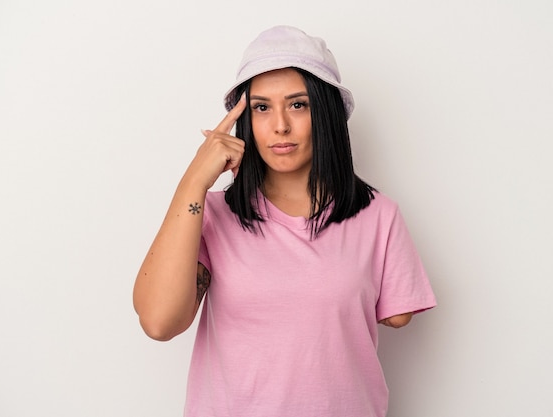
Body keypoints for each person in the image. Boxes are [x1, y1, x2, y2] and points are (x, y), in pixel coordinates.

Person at [133, 25, 436, 417]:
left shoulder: (378, 215)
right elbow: (159, 322)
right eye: (261, 107)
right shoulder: (214, 215)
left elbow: (398, 314)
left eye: (298, 104)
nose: (280, 125)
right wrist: (194, 180)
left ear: (325, 112)